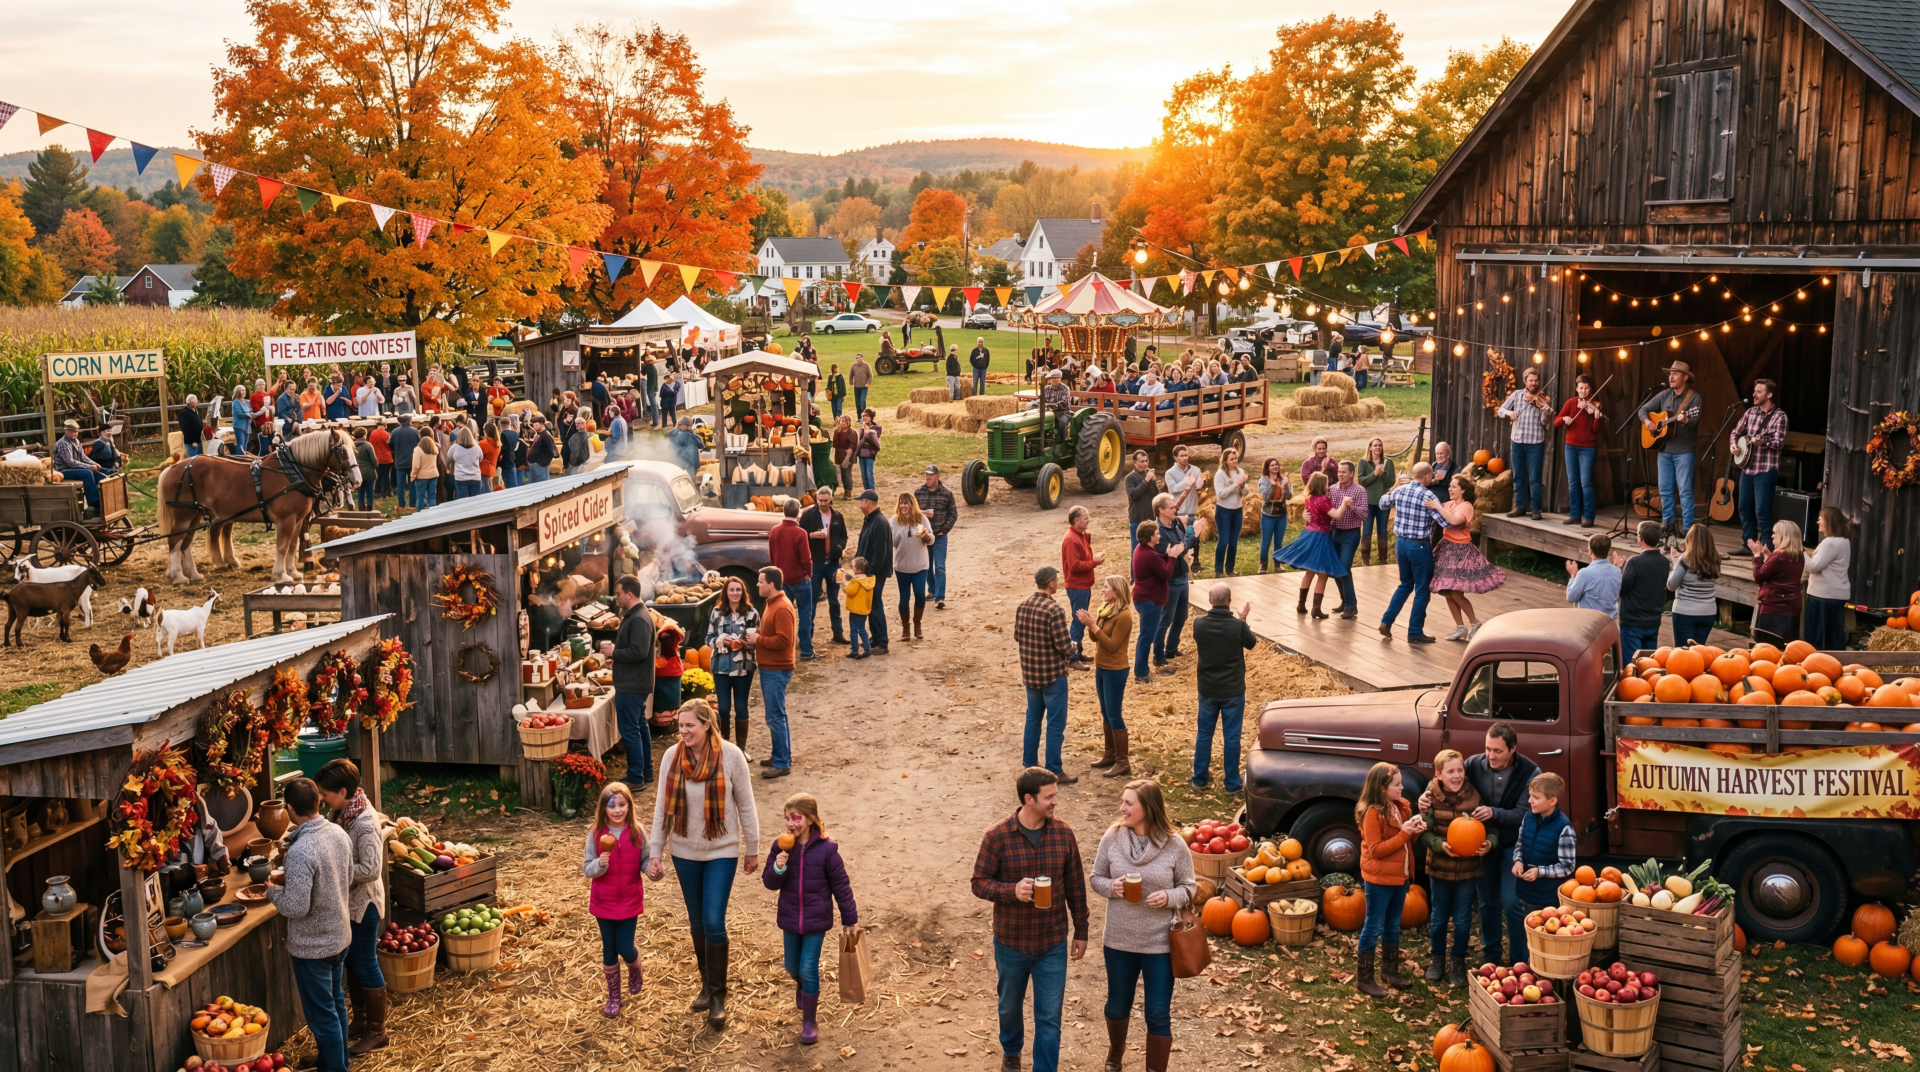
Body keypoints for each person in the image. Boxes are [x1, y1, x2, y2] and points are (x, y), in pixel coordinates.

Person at [645, 699, 761, 1032]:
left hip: (721, 850)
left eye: (689, 726)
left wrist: (751, 848)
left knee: (713, 921)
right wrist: (656, 851)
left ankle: (718, 997)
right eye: (680, 726)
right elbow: (660, 809)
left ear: (707, 724)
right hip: (684, 851)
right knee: (696, 922)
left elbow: (747, 807)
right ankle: (706, 983)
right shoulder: (672, 757)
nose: (683, 732)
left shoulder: (732, 756)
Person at [971, 768, 1089, 1072]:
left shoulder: (1064, 833)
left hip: (1052, 942)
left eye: (1055, 796)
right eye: (1049, 797)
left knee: (1049, 1017)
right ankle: (1011, 1051)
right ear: (1029, 799)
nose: (1055, 803)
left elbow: (1075, 884)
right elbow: (979, 882)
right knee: (1009, 1007)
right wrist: (1012, 891)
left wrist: (1082, 929)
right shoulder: (997, 837)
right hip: (1012, 942)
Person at [1091, 779, 1193, 1072]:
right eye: (1123, 802)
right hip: (1119, 940)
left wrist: (1170, 896)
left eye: (1128, 803)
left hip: (1160, 943)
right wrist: (1112, 887)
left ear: (1147, 808)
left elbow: (1190, 887)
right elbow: (1096, 877)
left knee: (1158, 1014)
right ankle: (1116, 1052)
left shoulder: (1175, 845)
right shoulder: (1112, 837)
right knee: (1117, 1006)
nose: (1121, 808)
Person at [263, 778, 353, 1072]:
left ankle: (335, 1069)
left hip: (314, 948)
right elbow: (347, 877)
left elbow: (296, 907)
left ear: (289, 809)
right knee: (336, 1004)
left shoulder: (301, 850)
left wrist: (272, 890)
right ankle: (337, 1063)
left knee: (322, 1017)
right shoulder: (338, 833)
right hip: (339, 937)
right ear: (318, 801)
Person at [763, 793, 859, 1046]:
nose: (791, 824)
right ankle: (802, 987)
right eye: (787, 819)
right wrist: (779, 867)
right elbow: (769, 883)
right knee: (792, 968)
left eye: (796, 818)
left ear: (810, 818)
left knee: (808, 968)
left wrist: (850, 919)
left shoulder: (827, 850)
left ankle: (809, 1021)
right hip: (790, 918)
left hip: (817, 920)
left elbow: (842, 886)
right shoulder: (781, 846)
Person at [313, 760, 388, 1054]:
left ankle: (377, 1032)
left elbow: (370, 869)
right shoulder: (342, 812)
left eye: (325, 794)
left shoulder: (365, 823)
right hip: (349, 903)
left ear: (343, 791)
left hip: (365, 904)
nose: (322, 799)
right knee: (353, 964)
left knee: (365, 962)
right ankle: (361, 1020)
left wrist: (334, 871)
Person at [1418, 749, 1497, 987]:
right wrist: (1440, 845)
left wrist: (1490, 843)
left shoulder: (1475, 796)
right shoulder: (1430, 797)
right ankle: (1437, 959)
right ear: (1439, 775)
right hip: (1439, 867)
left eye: (1460, 770)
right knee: (1440, 916)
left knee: (1463, 918)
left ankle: (1458, 960)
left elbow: (1491, 828)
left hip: (1468, 869)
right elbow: (1424, 831)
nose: (1456, 776)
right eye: (1450, 771)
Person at [1354, 761, 1425, 996]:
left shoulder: (1401, 806)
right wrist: (1405, 833)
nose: (1402, 787)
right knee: (1373, 926)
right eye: (1397, 784)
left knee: (1393, 925)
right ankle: (1364, 979)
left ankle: (1389, 971)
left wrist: (1414, 830)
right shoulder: (1372, 813)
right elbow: (1376, 850)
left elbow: (1405, 843)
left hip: (1400, 876)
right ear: (1382, 788)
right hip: (1379, 879)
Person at [582, 780, 648, 1017]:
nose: (618, 810)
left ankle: (635, 966)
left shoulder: (638, 832)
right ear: (604, 809)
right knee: (609, 949)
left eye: (622, 804)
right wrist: (599, 865)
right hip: (604, 901)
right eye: (612, 806)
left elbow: (646, 861)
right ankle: (614, 997)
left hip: (629, 900)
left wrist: (652, 869)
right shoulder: (597, 833)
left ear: (629, 806)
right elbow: (586, 868)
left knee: (625, 946)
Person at [1191, 582, 1255, 795]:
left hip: (1208, 688)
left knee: (1204, 734)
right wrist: (1243, 618)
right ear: (1229, 601)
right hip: (1232, 690)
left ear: (1210, 601)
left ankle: (1199, 779)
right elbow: (1251, 643)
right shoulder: (1237, 626)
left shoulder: (1199, 624)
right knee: (1232, 737)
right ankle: (1232, 783)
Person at [1016, 566, 1080, 782]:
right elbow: (1063, 645)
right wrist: (1075, 647)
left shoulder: (1023, 605)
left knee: (1033, 719)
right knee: (1055, 723)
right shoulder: (1055, 610)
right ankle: (1054, 769)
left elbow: (1018, 635)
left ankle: (1030, 765)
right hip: (1053, 675)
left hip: (1030, 674)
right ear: (1051, 583)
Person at [1377, 463, 1448, 643]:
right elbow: (1445, 523)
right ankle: (1415, 632)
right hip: (1420, 546)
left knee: (1405, 584)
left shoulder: (1401, 491)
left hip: (1401, 544)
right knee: (1422, 589)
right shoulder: (1428, 495)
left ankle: (1386, 621)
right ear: (1426, 477)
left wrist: (1394, 488)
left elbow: (1382, 503)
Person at [1432, 476, 1506, 640]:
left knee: (1457, 593)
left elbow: (1454, 520)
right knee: (1447, 592)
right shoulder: (1449, 504)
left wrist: (1437, 506)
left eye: (1453, 487)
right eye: (1449, 487)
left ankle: (1475, 623)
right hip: (1446, 549)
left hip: (1461, 552)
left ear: (1463, 490)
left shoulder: (1466, 507)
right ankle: (1460, 627)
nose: (1450, 489)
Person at [1636, 361, 1704, 535]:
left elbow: (1694, 420)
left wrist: (1685, 420)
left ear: (1685, 377)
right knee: (1665, 490)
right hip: (1664, 450)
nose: (1671, 377)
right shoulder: (1664, 394)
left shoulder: (1694, 398)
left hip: (1684, 452)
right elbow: (1643, 409)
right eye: (1670, 374)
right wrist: (1647, 421)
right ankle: (1668, 524)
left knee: (1685, 491)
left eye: (1675, 374)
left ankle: (1688, 529)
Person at [1274, 471, 1350, 619]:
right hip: (1321, 537)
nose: (1328, 486)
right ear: (1321, 485)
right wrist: (1344, 503)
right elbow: (1336, 515)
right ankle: (1316, 609)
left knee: (1309, 571)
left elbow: (1310, 514)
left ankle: (1301, 605)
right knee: (1323, 573)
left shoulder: (1309, 498)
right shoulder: (1323, 500)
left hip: (1309, 533)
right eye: (1327, 483)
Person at [1079, 576, 1134, 777]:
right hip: (1102, 667)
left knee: (1114, 714)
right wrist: (1089, 624)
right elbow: (1096, 638)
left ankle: (1122, 762)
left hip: (1115, 670)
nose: (1102, 590)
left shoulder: (1124, 616)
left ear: (1116, 592)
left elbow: (1112, 645)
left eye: (1105, 587)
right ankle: (1109, 754)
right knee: (1105, 712)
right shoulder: (1106, 609)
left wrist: (1094, 626)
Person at [1730, 379, 1790, 554]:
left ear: (1769, 395)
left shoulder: (1780, 416)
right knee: (1744, 507)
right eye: (1754, 391)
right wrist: (1733, 444)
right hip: (1747, 468)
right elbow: (1736, 431)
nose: (1754, 395)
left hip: (1765, 469)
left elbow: (1778, 443)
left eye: (1758, 392)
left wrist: (1764, 442)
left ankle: (1766, 547)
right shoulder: (1750, 413)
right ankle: (1748, 544)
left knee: (1762, 511)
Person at [705, 576, 759, 754]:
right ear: (726, 592)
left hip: (743, 666)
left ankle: (741, 750)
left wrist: (744, 643)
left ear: (743, 592)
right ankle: (725, 749)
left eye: (738, 590)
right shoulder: (717, 612)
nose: (735, 593)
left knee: (741, 707)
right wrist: (720, 640)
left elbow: (757, 641)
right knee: (724, 708)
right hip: (721, 666)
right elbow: (708, 639)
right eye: (731, 590)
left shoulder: (752, 613)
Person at [1511, 772, 1576, 919]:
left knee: (1546, 934)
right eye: (1530, 795)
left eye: (1536, 797)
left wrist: (1539, 872)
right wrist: (1517, 860)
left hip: (1549, 898)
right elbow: (1520, 843)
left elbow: (1568, 866)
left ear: (1552, 801)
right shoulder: (1528, 818)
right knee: (1529, 931)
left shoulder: (1564, 828)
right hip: (1526, 891)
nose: (1530, 801)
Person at [611, 576, 656, 786]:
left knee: (630, 731)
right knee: (639, 727)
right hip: (635, 683)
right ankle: (645, 772)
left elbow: (639, 652)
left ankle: (636, 778)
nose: (616, 597)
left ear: (629, 594)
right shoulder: (636, 614)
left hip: (632, 685)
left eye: (618, 593)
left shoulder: (638, 618)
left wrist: (614, 653)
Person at [755, 568, 798, 779]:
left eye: (760, 581)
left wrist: (758, 640)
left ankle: (781, 763)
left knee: (775, 716)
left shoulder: (781, 608)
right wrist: (760, 634)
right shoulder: (772, 603)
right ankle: (781, 755)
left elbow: (784, 640)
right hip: (771, 667)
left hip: (777, 668)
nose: (757, 585)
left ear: (771, 584)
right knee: (777, 714)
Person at [1495, 366, 1554, 519]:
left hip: (1536, 442)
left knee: (1535, 477)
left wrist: (1545, 412)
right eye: (1531, 381)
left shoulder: (1543, 399)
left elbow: (1544, 422)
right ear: (1525, 381)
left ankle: (1536, 509)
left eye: (1536, 380)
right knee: (1518, 476)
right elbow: (1500, 410)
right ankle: (1520, 506)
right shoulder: (1516, 395)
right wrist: (1510, 413)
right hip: (1517, 441)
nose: (1534, 383)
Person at [1130, 518, 1179, 684]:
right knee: (1146, 637)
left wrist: (1167, 555)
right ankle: (1141, 674)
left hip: (1145, 599)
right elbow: (1165, 573)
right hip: (1149, 601)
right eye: (1157, 533)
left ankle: (1142, 670)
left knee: (1145, 636)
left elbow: (1158, 560)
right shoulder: (1148, 554)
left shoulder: (1142, 549)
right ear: (1150, 537)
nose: (1159, 536)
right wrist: (1171, 558)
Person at [1555, 374, 1605, 527]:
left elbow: (1596, 430)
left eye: (1586, 388)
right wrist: (1565, 419)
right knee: (1573, 482)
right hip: (1570, 447)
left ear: (1590, 389)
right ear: (1576, 388)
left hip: (1588, 448)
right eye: (1581, 388)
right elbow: (1556, 422)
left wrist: (1596, 416)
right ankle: (1574, 515)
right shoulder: (1571, 403)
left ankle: (1589, 517)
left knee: (1585, 482)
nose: (1583, 391)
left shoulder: (1595, 405)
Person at [1151, 492, 1194, 664]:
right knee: (1165, 619)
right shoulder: (1157, 532)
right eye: (1171, 507)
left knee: (1181, 617)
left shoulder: (1174, 525)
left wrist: (1187, 538)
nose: (1175, 509)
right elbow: (1180, 549)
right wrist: (1193, 534)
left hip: (1182, 578)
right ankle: (1158, 656)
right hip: (1170, 582)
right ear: (1160, 510)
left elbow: (1181, 546)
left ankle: (1171, 649)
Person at [768, 500, 815, 658]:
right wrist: (808, 572)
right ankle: (806, 650)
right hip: (800, 579)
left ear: (783, 511)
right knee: (804, 614)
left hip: (783, 580)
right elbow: (806, 558)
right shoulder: (800, 533)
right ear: (798, 512)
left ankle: (784, 648)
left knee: (784, 616)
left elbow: (772, 555)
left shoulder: (774, 531)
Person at [802, 489, 848, 647]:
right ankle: (808, 637)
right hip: (815, 564)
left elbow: (844, 536)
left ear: (831, 500)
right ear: (816, 499)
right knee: (812, 601)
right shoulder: (808, 515)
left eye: (825, 500)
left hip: (834, 564)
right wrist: (812, 535)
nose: (822, 503)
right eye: (820, 500)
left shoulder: (837, 516)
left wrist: (839, 547)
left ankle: (838, 633)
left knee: (834, 600)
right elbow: (800, 535)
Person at [1751, 520, 1806, 646]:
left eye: (1775, 533)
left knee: (1768, 647)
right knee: (1787, 646)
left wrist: (1756, 555)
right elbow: (1781, 571)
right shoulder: (1798, 554)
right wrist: (1767, 556)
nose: (1772, 536)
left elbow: (1758, 576)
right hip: (1792, 606)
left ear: (1783, 535)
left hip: (1775, 608)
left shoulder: (1779, 556)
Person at [1619, 520, 1670, 656]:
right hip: (1653, 620)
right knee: (1648, 663)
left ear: (1640, 538)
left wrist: (1620, 568)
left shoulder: (1635, 562)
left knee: (1631, 665)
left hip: (1633, 622)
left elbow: (1622, 588)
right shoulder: (1665, 562)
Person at [1326, 460, 1370, 617]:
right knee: (1336, 569)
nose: (1340, 474)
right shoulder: (1331, 489)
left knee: (1343, 569)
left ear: (1352, 473)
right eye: (1339, 471)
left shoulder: (1359, 491)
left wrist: (1352, 507)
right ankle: (1345, 601)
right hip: (1334, 533)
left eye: (1344, 472)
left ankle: (1351, 606)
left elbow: (1364, 515)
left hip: (1351, 534)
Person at [1804, 508, 1852, 650]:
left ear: (1829, 521)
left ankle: (1822, 665)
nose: (1818, 521)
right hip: (1833, 595)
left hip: (1823, 596)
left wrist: (1800, 553)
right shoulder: (1844, 541)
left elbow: (1813, 567)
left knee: (1820, 640)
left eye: (1821, 518)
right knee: (1833, 635)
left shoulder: (1830, 543)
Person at [1061, 507, 1103, 666]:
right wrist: (1094, 563)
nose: (1089, 520)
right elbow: (1074, 565)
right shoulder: (1072, 539)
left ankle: (1077, 652)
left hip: (1082, 586)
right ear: (1076, 520)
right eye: (1085, 518)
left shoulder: (1079, 536)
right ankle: (1072, 657)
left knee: (1081, 619)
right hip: (1077, 587)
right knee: (1079, 621)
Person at [1668, 524, 1721, 646]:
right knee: (1699, 654)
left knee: (1684, 655)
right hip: (1708, 612)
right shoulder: (1715, 559)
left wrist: (1674, 563)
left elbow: (1671, 585)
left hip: (1685, 611)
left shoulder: (1684, 560)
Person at [914, 465, 957, 610]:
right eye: (926, 475)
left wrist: (944, 530)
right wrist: (924, 514)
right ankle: (932, 589)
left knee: (939, 566)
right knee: (926, 566)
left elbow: (953, 514)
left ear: (938, 476)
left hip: (939, 537)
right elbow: (912, 512)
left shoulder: (947, 494)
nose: (927, 478)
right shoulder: (918, 492)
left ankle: (940, 597)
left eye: (930, 475)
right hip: (924, 537)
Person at [855, 491, 893, 654]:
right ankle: (876, 637)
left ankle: (882, 642)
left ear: (867, 503)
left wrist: (870, 574)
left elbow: (880, 552)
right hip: (871, 572)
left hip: (875, 573)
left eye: (861, 502)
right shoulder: (871, 520)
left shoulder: (878, 522)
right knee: (871, 605)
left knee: (875, 604)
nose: (859, 505)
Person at [1356, 438, 1395, 565]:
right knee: (1366, 531)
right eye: (1375, 445)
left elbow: (1390, 482)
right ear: (1370, 447)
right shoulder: (1363, 462)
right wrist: (1375, 473)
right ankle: (1365, 561)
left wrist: (1383, 473)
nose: (1378, 447)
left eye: (1380, 445)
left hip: (1383, 502)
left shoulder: (1388, 462)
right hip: (1367, 502)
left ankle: (1383, 560)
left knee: (1382, 531)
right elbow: (1362, 481)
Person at [1564, 533, 1622, 616]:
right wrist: (1618, 567)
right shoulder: (1618, 571)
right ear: (1608, 550)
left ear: (1590, 551)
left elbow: (1571, 597)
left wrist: (1573, 575)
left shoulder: (1584, 573)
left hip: (1590, 623)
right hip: (1610, 622)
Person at [1212, 448, 1249, 576]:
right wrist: (1236, 485)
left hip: (1237, 510)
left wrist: (1243, 486)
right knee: (1223, 541)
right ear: (1226, 461)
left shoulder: (1241, 472)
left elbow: (1245, 493)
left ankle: (1230, 569)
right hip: (1224, 511)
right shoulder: (1220, 474)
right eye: (1231, 459)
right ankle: (1218, 570)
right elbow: (1220, 494)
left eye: (1236, 458)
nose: (1234, 461)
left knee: (1233, 542)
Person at [1255, 458, 1292, 574]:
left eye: (1276, 464)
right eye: (1272, 465)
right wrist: (1272, 485)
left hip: (1281, 515)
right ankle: (1263, 565)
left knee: (1278, 542)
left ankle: (1278, 564)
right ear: (1267, 468)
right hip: (1268, 515)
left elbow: (1289, 497)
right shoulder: (1263, 480)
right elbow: (1266, 496)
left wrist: (1284, 486)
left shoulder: (1283, 480)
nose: (1275, 467)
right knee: (1266, 542)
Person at [1124, 452, 1158, 554]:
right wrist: (1146, 481)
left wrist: (1153, 481)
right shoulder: (1130, 478)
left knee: (1152, 550)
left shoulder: (1149, 474)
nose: (1145, 464)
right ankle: (1133, 571)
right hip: (1137, 520)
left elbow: (1156, 496)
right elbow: (1133, 495)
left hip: (1150, 519)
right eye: (1142, 461)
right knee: (1136, 552)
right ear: (1135, 463)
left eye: (1146, 461)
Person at [388, 414, 419, 508]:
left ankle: (401, 504)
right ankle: (412, 504)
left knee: (400, 484)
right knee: (412, 483)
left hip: (399, 461)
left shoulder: (394, 432)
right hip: (412, 461)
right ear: (409, 421)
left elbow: (389, 444)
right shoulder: (415, 431)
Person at [447, 427, 485, 499]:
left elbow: (448, 460)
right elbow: (481, 459)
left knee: (462, 501)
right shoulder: (477, 448)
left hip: (460, 478)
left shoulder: (454, 447)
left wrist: (449, 470)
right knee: (475, 501)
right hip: (475, 477)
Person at [408, 434, 440, 510]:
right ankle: (433, 514)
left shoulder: (417, 450)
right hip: (433, 475)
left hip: (422, 476)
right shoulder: (434, 449)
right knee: (432, 496)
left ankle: (420, 514)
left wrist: (412, 476)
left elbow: (416, 466)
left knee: (420, 497)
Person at [351, 428, 377, 510]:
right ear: (364, 435)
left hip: (356, 473)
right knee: (369, 491)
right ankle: (369, 508)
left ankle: (361, 508)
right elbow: (373, 460)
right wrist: (375, 466)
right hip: (368, 472)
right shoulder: (368, 445)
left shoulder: (351, 445)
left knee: (360, 492)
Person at [857, 410, 882, 491]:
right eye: (863, 416)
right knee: (863, 475)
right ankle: (867, 492)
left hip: (870, 453)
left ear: (871, 417)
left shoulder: (877, 428)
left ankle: (872, 493)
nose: (864, 418)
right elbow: (860, 441)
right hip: (861, 453)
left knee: (869, 474)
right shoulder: (861, 428)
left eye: (867, 416)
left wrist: (868, 432)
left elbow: (874, 440)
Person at [525, 416, 556, 482]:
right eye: (533, 425)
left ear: (542, 424)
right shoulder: (538, 434)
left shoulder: (546, 436)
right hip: (535, 464)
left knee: (541, 485)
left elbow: (550, 452)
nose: (534, 427)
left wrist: (542, 463)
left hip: (539, 465)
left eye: (536, 425)